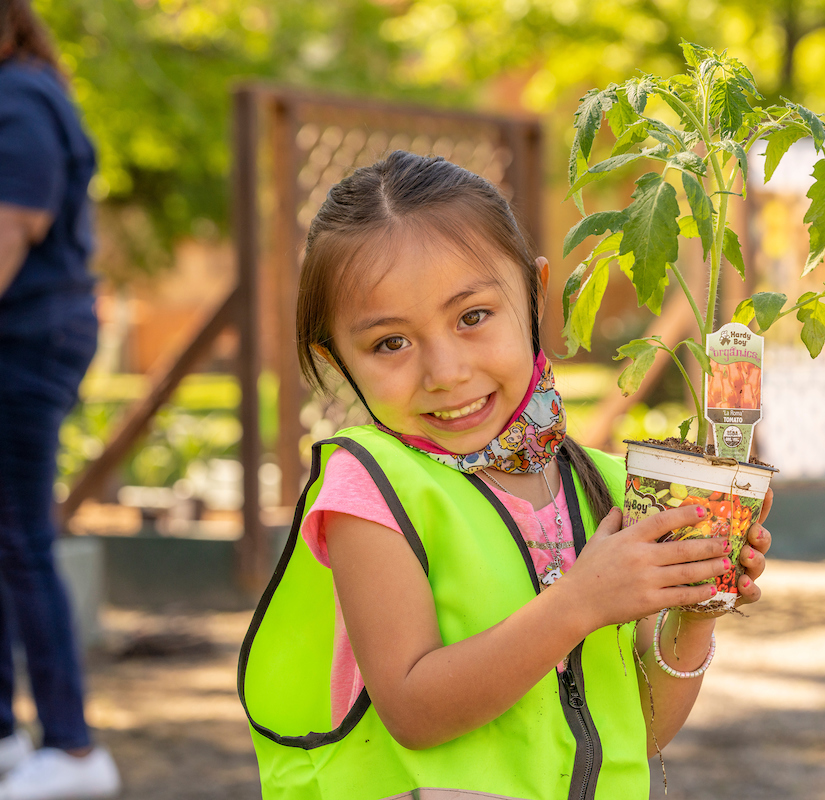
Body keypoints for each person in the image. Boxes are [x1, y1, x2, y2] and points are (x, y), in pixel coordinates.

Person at [239, 150, 774, 798]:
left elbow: (639, 731)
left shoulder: (605, 486)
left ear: (533, 294)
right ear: (336, 358)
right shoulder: (371, 489)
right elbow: (413, 710)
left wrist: (693, 614)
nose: (445, 371)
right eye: (390, 343)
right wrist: (578, 604)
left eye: (472, 317)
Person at [0, 0, 120, 797]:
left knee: (21, 536)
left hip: (24, 341)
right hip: (33, 335)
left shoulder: (17, 97)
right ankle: (13, 738)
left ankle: (73, 751)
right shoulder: (30, 89)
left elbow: (10, 229)